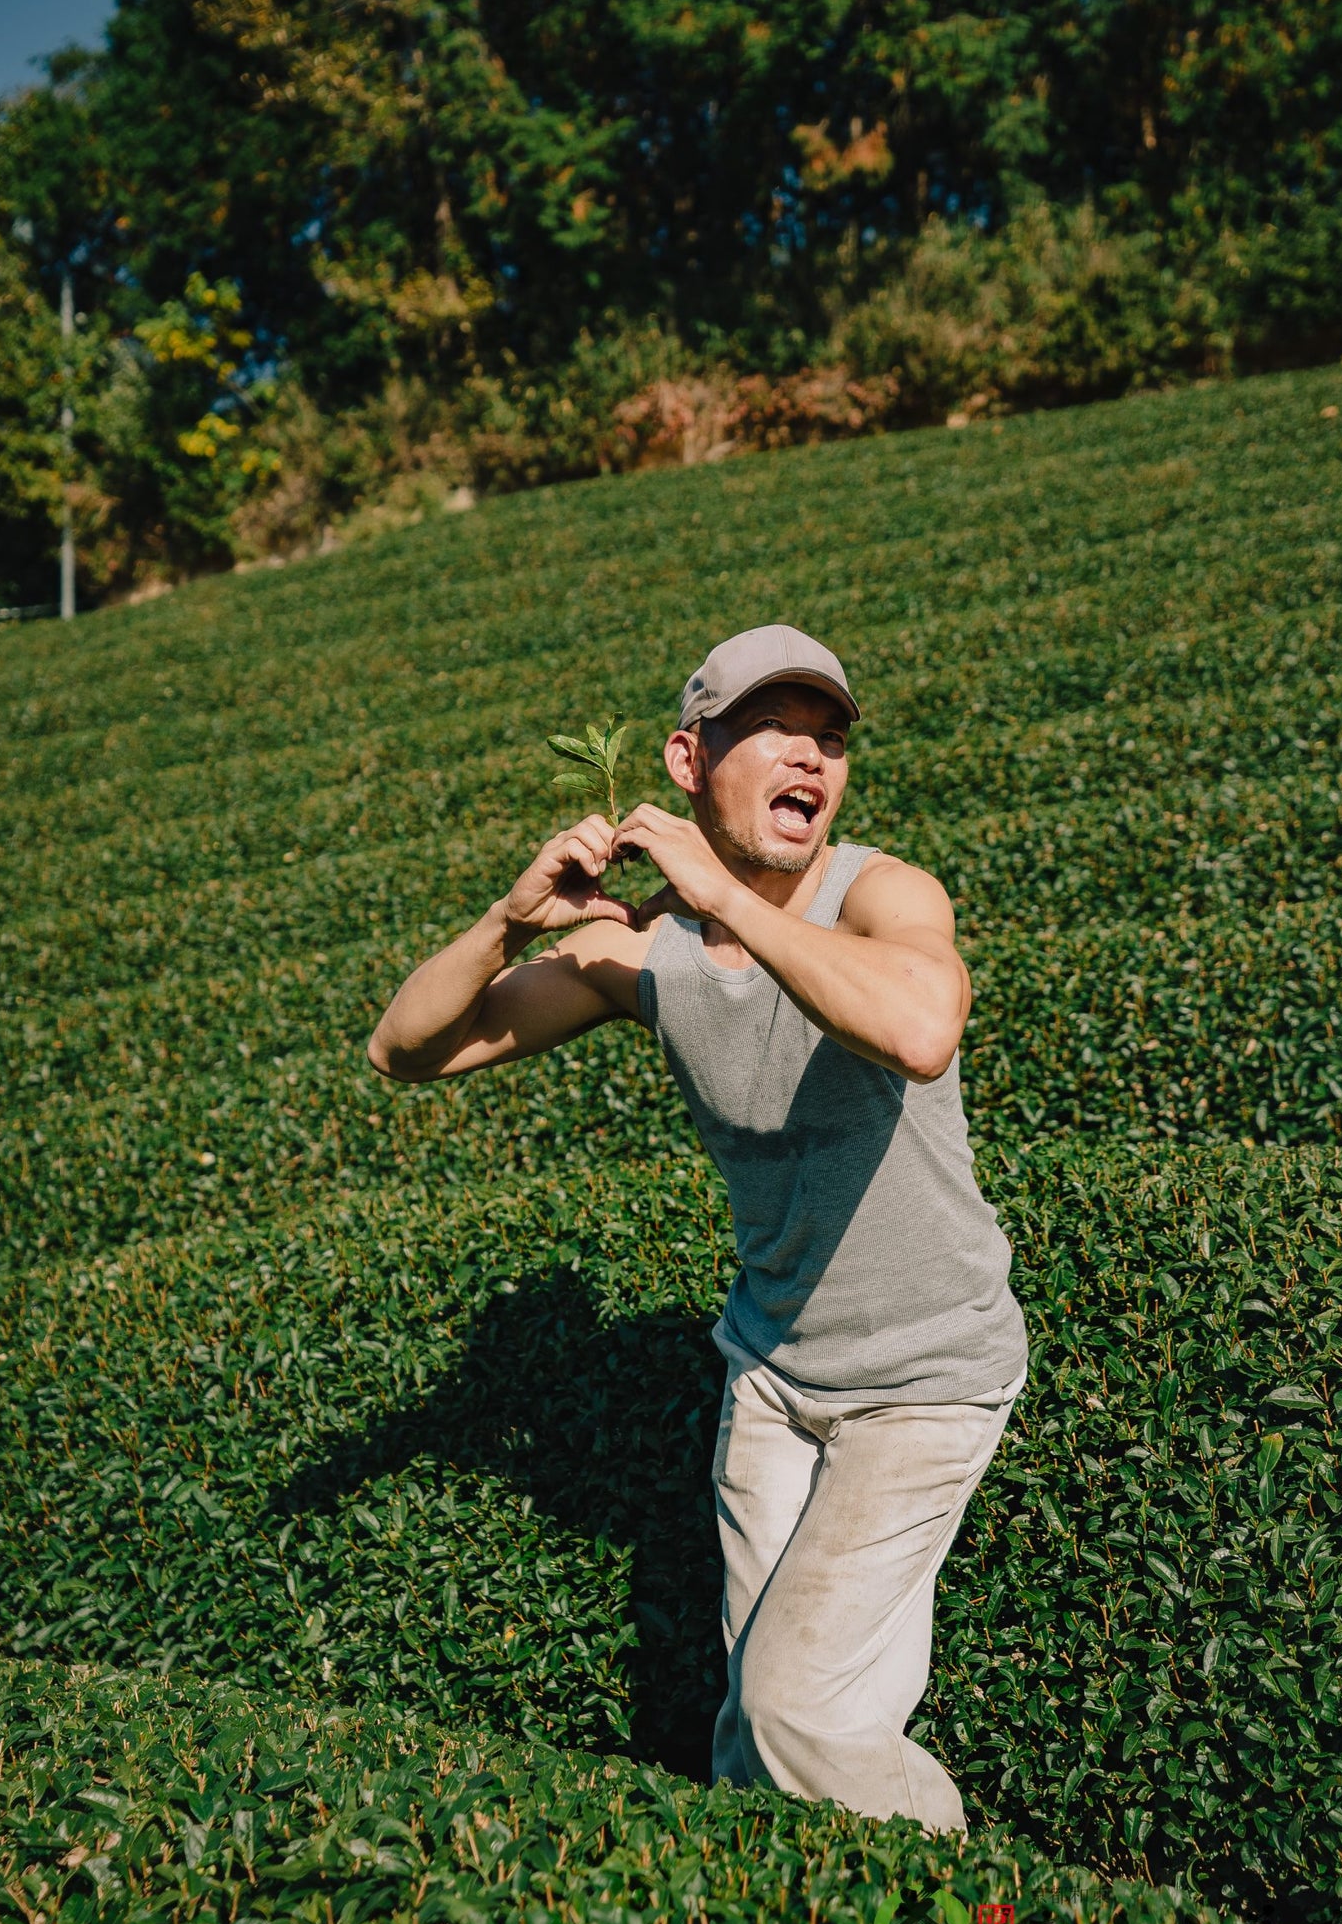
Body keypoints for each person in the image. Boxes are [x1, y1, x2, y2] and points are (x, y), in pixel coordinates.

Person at [368, 622, 1028, 1835]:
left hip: (925, 1378)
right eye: (773, 732)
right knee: (763, 1737)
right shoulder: (641, 951)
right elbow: (408, 1051)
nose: (810, 760)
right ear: (685, 760)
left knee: (791, 1719)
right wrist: (509, 925)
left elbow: (921, 1028)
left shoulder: (878, 892)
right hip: (773, 1381)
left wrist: (726, 894)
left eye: (827, 739)